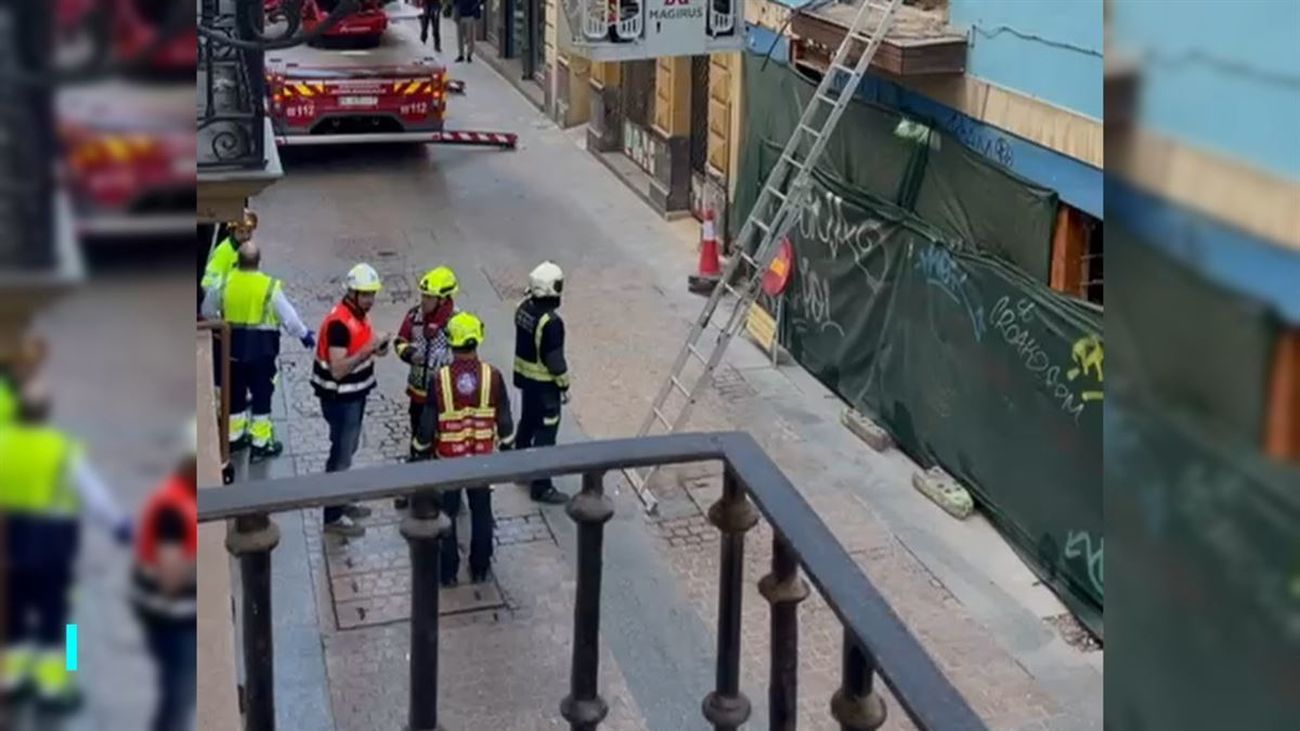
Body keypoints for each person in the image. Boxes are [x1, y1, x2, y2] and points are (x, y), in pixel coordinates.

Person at [0, 380, 132, 710]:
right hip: (53, 546)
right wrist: (119, 525)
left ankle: (11, 677)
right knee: (64, 619)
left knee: (14, 611)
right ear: (46, 413)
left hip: (11, 541)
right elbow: (93, 494)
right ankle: (60, 681)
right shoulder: (61, 449)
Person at [202, 241, 314, 462]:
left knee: (235, 392)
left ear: (237, 261)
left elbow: (207, 311)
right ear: (259, 262)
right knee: (262, 394)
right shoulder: (269, 286)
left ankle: (234, 437)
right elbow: (290, 318)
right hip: (262, 350)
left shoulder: (223, 284)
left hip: (231, 348)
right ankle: (260, 443)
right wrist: (304, 335)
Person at [426, 312, 514, 585]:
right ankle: (480, 567)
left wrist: (419, 452)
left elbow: (427, 425)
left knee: (447, 515)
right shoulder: (492, 376)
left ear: (451, 341)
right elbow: (505, 421)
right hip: (482, 460)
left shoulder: (440, 379)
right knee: (482, 512)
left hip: (449, 461)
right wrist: (507, 447)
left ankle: (448, 572)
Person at [310, 263, 392, 537]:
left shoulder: (358, 315)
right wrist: (368, 350)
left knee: (348, 449)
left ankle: (342, 500)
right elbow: (338, 369)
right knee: (341, 455)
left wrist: (378, 348)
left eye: (372, 293)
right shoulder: (339, 324)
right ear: (352, 293)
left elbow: (362, 347)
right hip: (341, 399)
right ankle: (333, 516)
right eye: (365, 294)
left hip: (355, 395)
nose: (370, 299)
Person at [131, 418, 198, 731]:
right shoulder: (173, 508)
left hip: (163, 611)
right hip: (170, 616)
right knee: (178, 698)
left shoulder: (176, 496)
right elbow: (171, 578)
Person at [393, 267, 459, 509]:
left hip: (445, 398)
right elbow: (400, 341)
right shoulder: (414, 316)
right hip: (418, 394)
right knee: (417, 440)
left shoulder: (457, 322)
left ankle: (445, 489)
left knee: (444, 443)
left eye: (429, 297)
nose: (423, 301)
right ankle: (415, 487)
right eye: (423, 296)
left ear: (443, 299)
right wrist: (408, 352)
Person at [512, 261, 570, 504]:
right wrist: (564, 385)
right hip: (546, 388)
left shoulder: (523, 308)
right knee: (546, 435)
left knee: (527, 423)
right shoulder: (552, 322)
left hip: (526, 382)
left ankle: (519, 467)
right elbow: (554, 360)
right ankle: (541, 487)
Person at [200, 208, 258, 296]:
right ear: (232, 231)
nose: (246, 236)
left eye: (249, 232)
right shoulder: (224, 251)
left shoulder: (247, 249)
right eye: (241, 231)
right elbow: (208, 283)